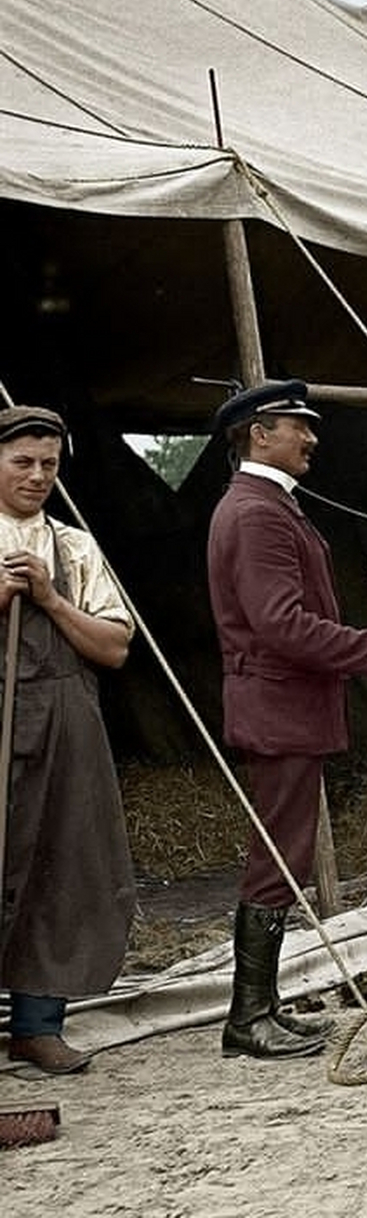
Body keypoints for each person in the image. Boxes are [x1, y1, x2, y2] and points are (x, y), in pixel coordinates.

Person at [206, 379, 367, 1058]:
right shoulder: (256, 513)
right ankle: (248, 1018)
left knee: (287, 857)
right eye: (296, 426)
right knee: (276, 861)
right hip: (279, 710)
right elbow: (282, 625)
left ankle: (264, 1005)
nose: (310, 438)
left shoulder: (266, 505)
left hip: (286, 709)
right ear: (258, 433)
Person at [0, 405, 136, 1077]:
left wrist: (52, 599)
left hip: (63, 716)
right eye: (22, 462)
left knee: (62, 862)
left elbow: (114, 647)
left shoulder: (74, 546)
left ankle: (36, 1026)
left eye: (49, 464)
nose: (37, 475)